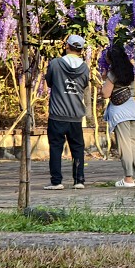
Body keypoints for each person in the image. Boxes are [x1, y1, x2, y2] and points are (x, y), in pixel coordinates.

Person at [43, 33, 89, 190]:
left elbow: (49, 82)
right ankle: (79, 180)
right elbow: (83, 86)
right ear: (81, 49)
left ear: (67, 46)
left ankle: (56, 181)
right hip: (76, 115)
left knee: (55, 147)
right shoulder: (84, 68)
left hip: (57, 114)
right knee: (77, 148)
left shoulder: (55, 64)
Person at [101, 42, 135, 187]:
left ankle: (128, 178)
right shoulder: (129, 71)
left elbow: (106, 94)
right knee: (133, 144)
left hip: (120, 112)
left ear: (111, 59)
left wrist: (104, 83)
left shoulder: (112, 73)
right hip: (132, 109)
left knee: (124, 147)